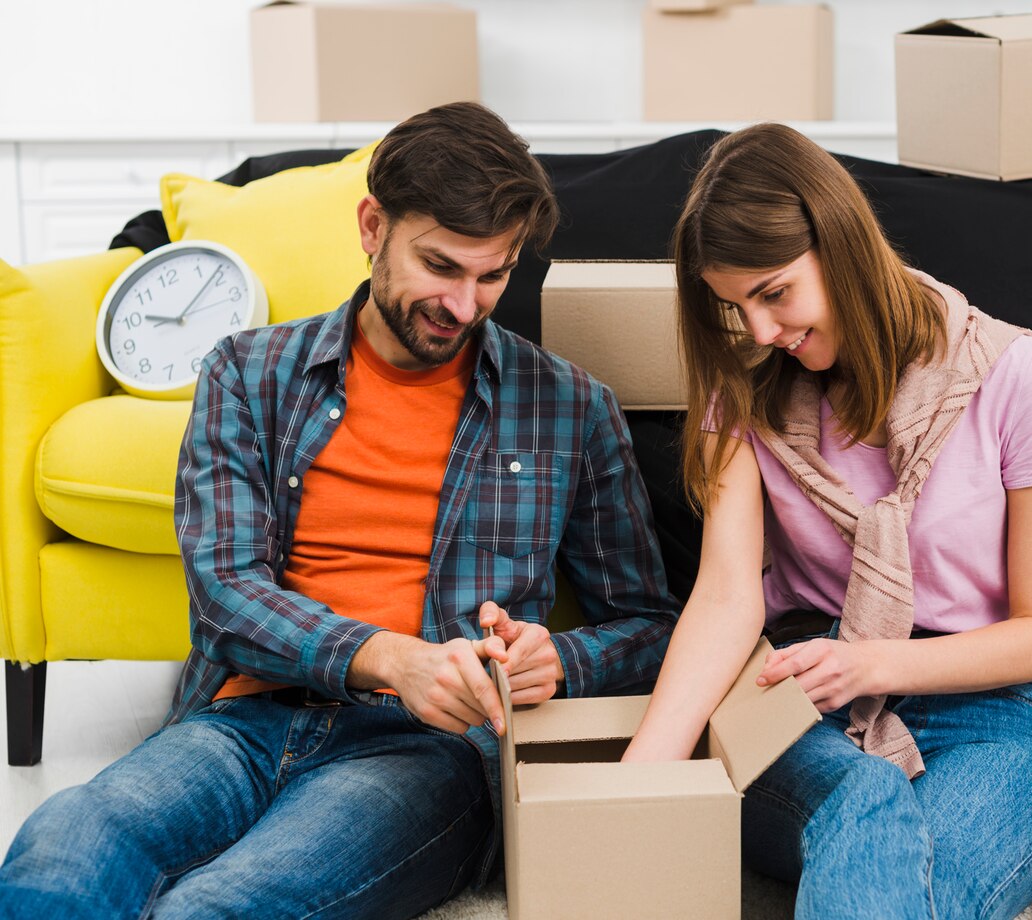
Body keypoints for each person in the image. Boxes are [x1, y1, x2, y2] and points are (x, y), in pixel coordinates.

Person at [0, 102, 678, 919]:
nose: (464, 307)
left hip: (425, 753)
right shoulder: (249, 373)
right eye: (439, 266)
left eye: (491, 276)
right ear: (372, 226)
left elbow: (647, 621)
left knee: (220, 907)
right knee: (64, 844)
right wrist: (392, 657)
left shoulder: (569, 406)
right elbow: (224, 594)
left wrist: (558, 663)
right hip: (240, 719)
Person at [622, 123, 1032, 919]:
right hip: (798, 709)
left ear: (840, 240)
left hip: (986, 715)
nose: (761, 331)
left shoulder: (1021, 377)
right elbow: (725, 598)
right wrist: (640, 782)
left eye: (773, 292)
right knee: (865, 804)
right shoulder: (744, 393)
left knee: (925, 884)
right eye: (735, 307)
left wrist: (874, 665)